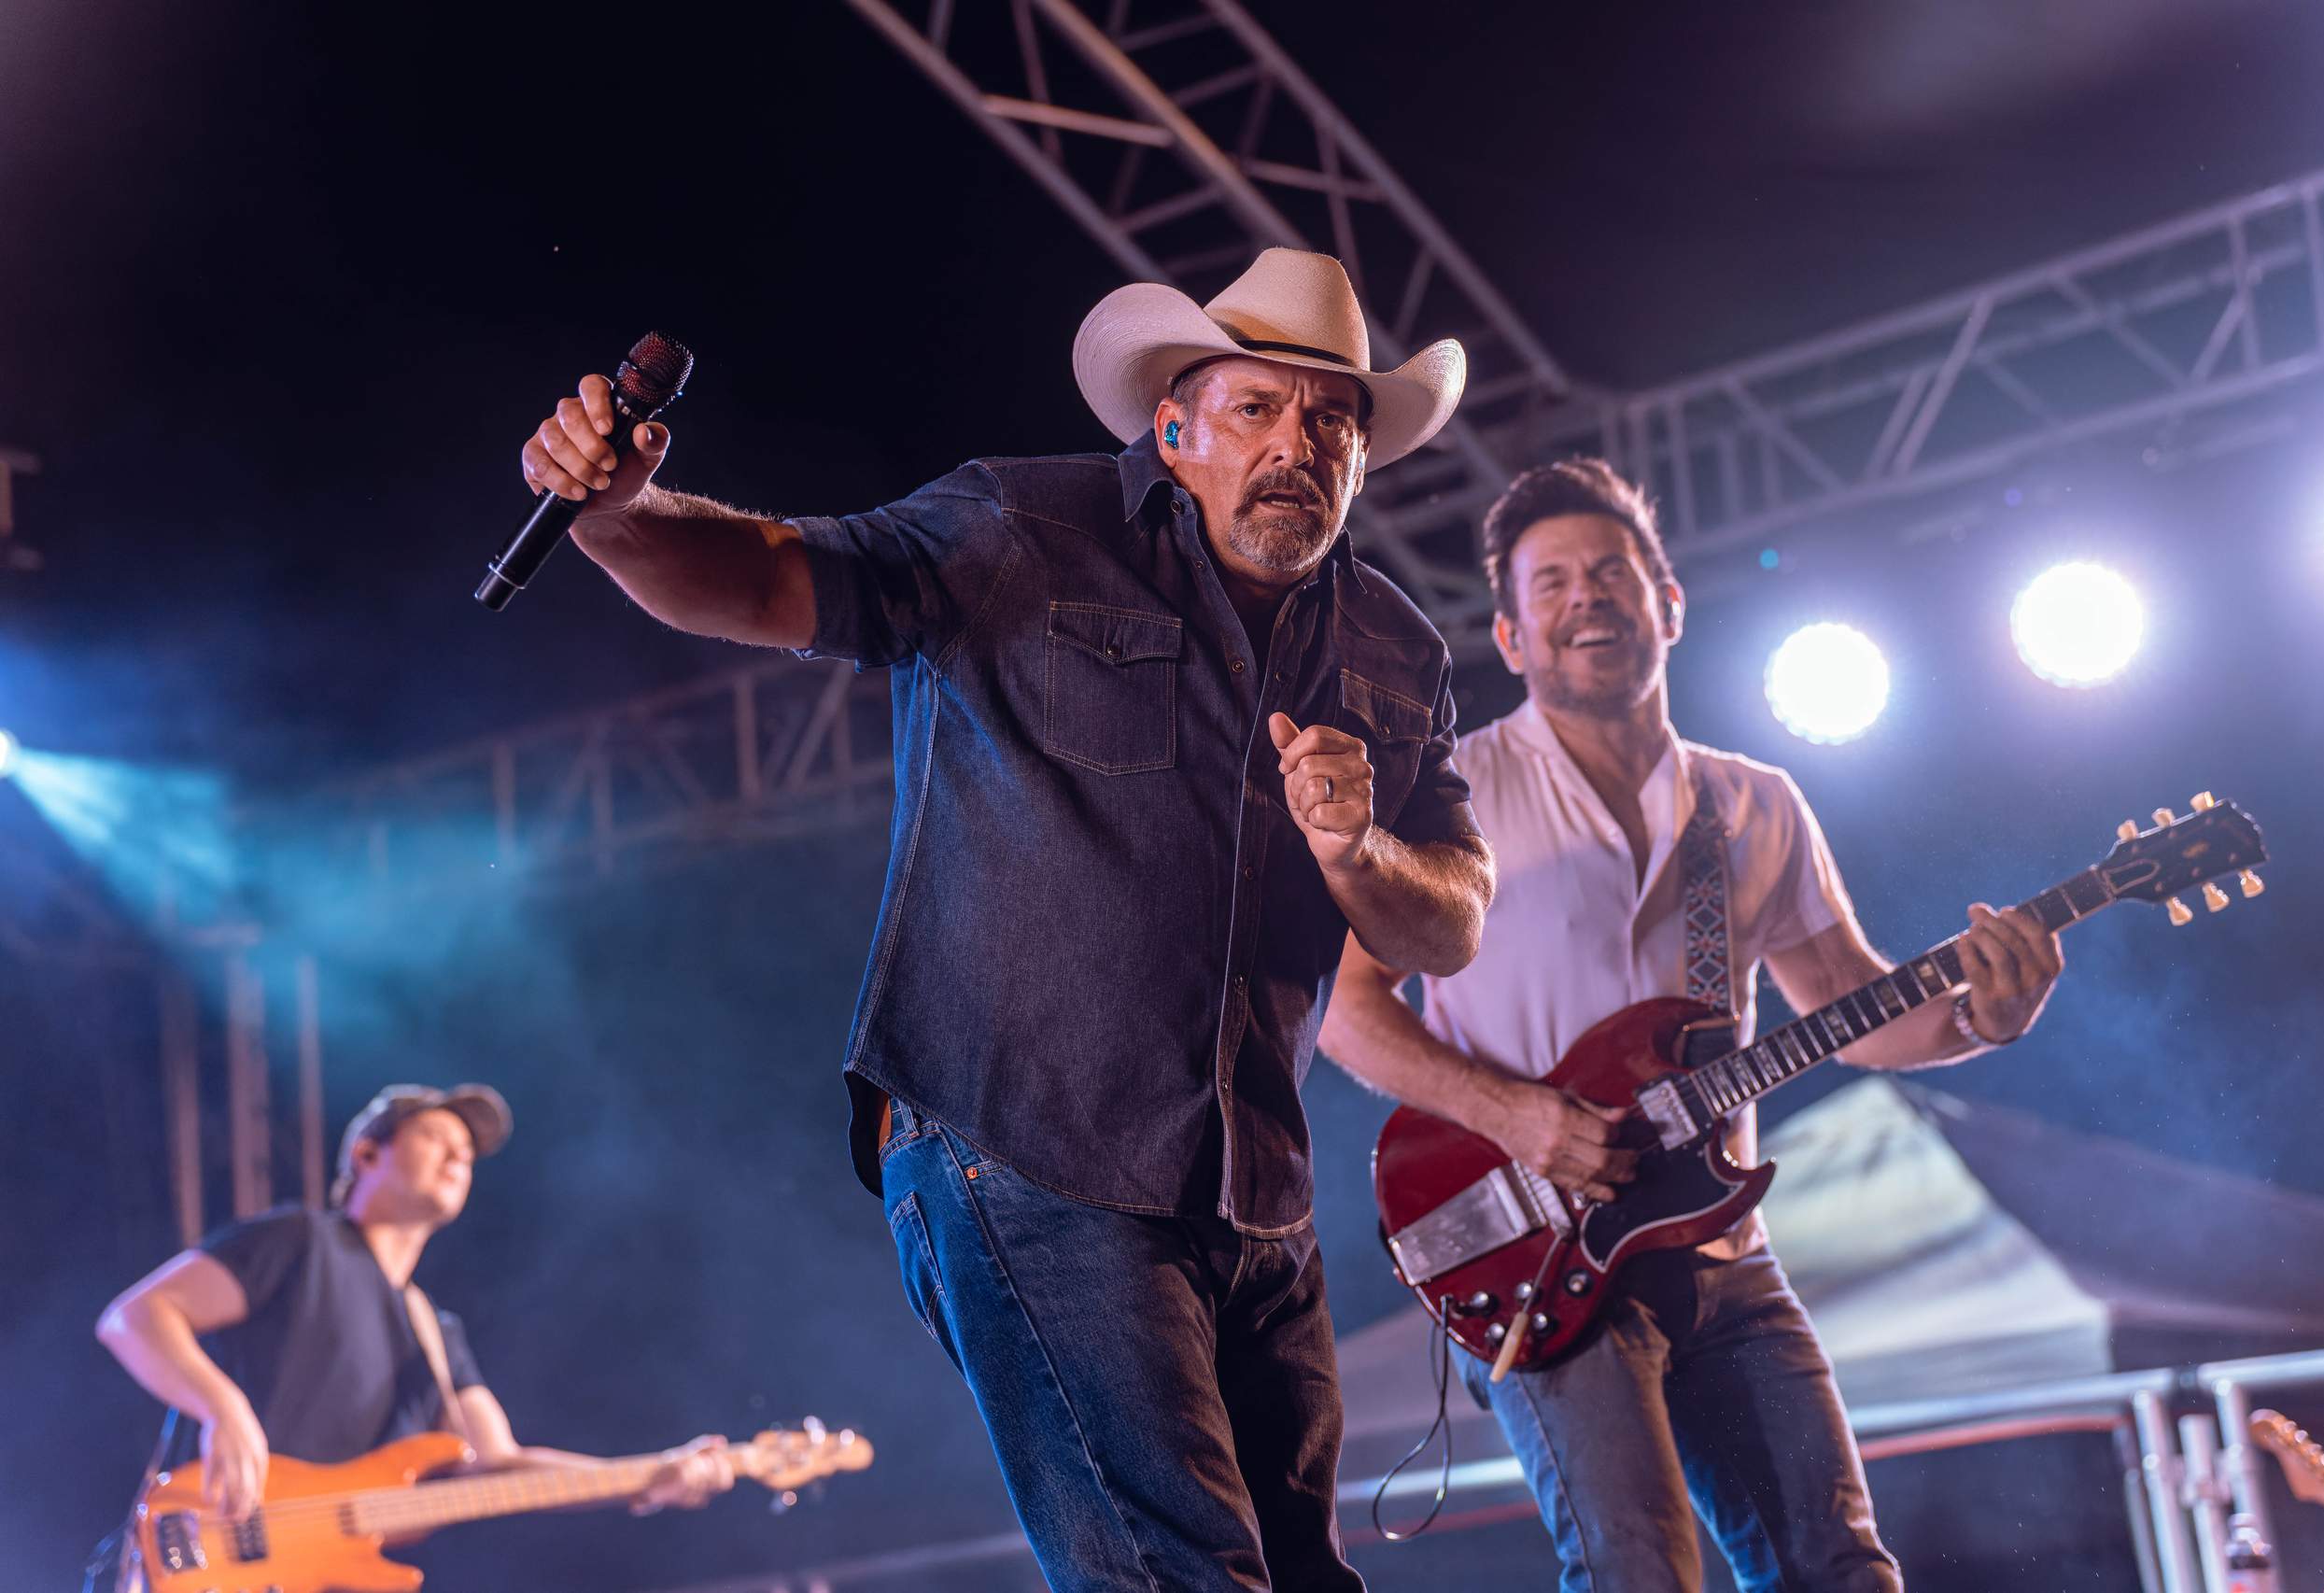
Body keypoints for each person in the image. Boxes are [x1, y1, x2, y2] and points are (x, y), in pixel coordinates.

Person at [514, 247, 1495, 1590]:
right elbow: (763, 577)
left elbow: (1449, 923)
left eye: (1333, 417)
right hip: (1025, 1146)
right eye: (1257, 407)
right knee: (1183, 1576)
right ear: (1175, 424)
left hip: (1253, 1190)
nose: (1297, 444)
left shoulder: (1395, 647)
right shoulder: (1023, 531)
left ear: (1367, 454)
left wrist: (1359, 844)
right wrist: (621, 514)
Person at [1318, 458, 2065, 1593]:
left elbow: (1855, 1010)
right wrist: (1519, 1117)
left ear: (1668, 604)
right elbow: (1344, 1010)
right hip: (1534, 1245)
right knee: (1641, 1577)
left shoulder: (1754, 801)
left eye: (1614, 571)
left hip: (1728, 1255)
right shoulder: (1445, 796)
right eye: (1553, 582)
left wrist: (1985, 1017)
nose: (1588, 597)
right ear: (1513, 637)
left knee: (1845, 1571)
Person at [94, 1084, 735, 1525]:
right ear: (368, 1154)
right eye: (436, 1137)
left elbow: (500, 1464)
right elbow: (137, 1317)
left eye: (468, 1152)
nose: (460, 1155)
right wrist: (222, 1408)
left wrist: (647, 1474)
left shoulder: (435, 1331)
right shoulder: (300, 1241)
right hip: (208, 1548)